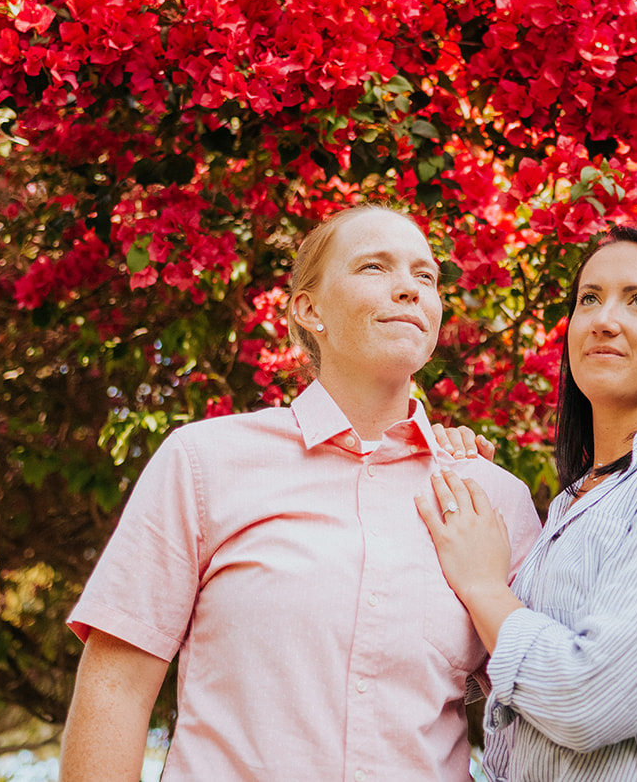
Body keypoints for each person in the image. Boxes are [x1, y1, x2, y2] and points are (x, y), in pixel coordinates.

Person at [60, 205, 542, 782]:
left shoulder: (493, 497)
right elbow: (116, 690)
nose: (410, 291)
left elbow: (542, 710)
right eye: (374, 267)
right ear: (308, 310)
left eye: (426, 277)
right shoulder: (204, 463)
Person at [416, 225, 637, 782]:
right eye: (590, 299)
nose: (604, 319)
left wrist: (484, 585)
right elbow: (482, 668)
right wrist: (458, 480)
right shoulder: (573, 502)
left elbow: (589, 698)